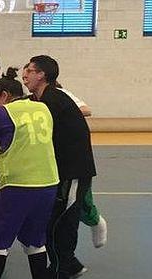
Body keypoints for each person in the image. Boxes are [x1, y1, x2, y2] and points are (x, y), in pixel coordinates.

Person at [0, 68, 58, 279]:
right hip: (47, 181)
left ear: (3, 95)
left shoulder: (4, 112)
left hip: (17, 183)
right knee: (35, 240)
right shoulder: (43, 107)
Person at [23, 55, 96, 279]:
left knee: (58, 228)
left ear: (41, 75)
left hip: (72, 173)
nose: (26, 75)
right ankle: (70, 267)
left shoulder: (52, 101)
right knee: (56, 223)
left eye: (30, 71)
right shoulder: (43, 99)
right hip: (61, 173)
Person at [55, 81, 107, 249]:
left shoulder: (62, 96)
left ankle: (95, 220)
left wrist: (61, 112)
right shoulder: (35, 99)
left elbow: (86, 109)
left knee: (79, 201)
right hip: (52, 158)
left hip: (74, 158)